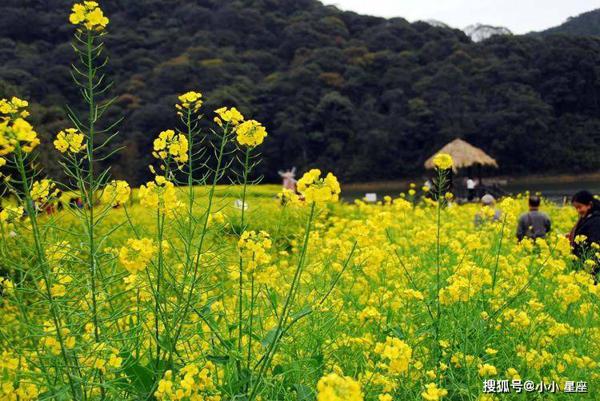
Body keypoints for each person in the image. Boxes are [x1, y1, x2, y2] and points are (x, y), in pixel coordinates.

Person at [568, 191, 600, 282]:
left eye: (579, 207)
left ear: (589, 205)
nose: (578, 210)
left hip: (592, 268)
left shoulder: (596, 220)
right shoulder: (586, 218)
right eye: (576, 208)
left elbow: (596, 243)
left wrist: (590, 267)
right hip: (583, 264)